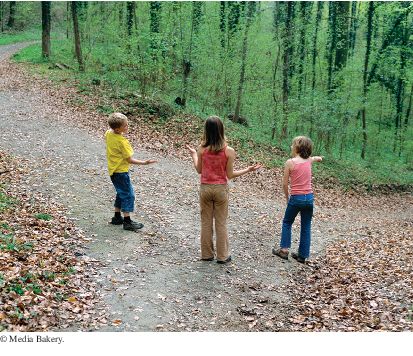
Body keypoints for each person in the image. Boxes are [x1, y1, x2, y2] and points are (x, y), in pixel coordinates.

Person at [187, 116, 261, 264]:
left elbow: (199, 170)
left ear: (206, 130)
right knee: (221, 223)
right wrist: (248, 169)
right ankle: (222, 256)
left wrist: (194, 155)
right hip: (221, 189)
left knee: (206, 222)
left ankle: (206, 254)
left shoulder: (202, 149)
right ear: (221, 130)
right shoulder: (229, 151)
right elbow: (230, 175)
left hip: (205, 189)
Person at [272, 136, 323, 263]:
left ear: (298, 148)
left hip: (296, 198)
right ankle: (302, 255)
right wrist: (320, 158)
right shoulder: (309, 160)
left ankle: (284, 250)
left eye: (293, 145)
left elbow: (284, 184)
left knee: (287, 222)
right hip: (309, 198)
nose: (291, 147)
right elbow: (315, 158)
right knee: (306, 226)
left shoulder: (290, 162)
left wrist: (287, 198)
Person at [105, 112, 156, 231]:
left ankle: (117, 217)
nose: (127, 127)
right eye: (125, 126)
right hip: (121, 172)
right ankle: (127, 221)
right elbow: (129, 159)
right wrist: (144, 162)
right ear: (118, 129)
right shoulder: (122, 142)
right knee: (128, 195)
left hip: (113, 170)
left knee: (120, 192)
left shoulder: (108, 133)